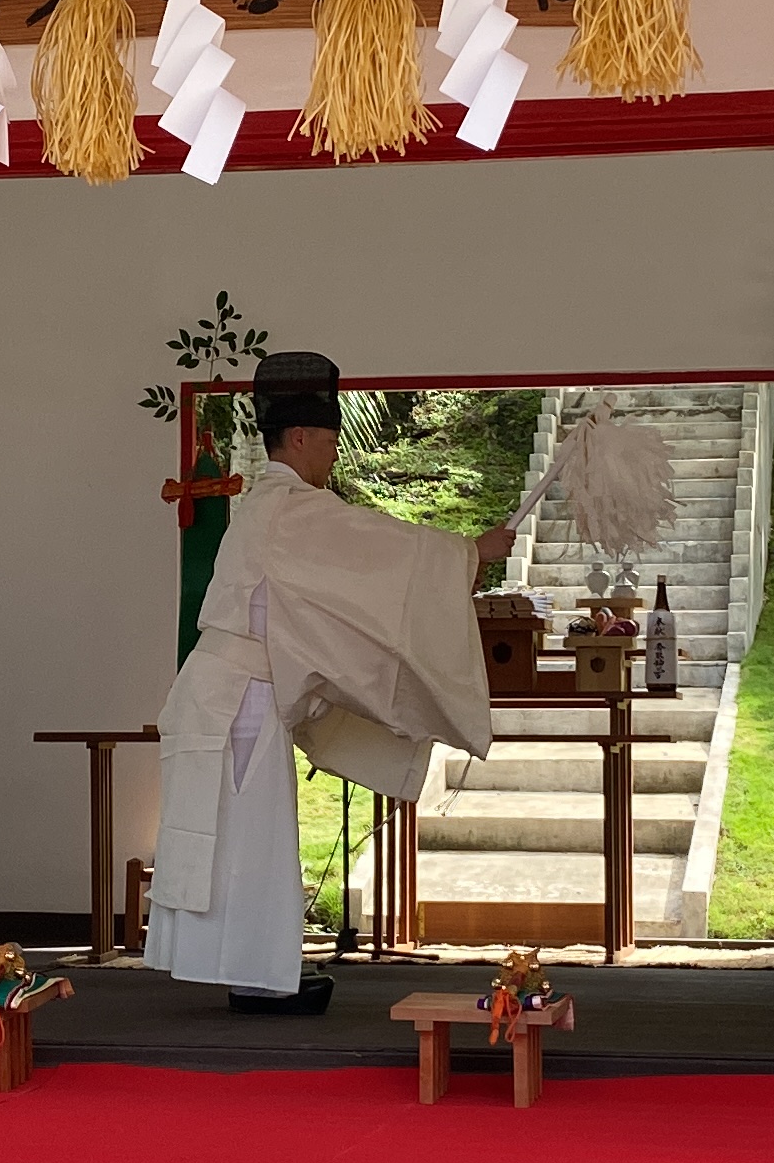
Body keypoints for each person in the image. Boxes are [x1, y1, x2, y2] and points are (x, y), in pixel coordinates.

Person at [145, 352, 516, 1011]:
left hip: (232, 693)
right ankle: (256, 977)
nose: (333, 454)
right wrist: (466, 553)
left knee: (241, 837)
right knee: (250, 838)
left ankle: (253, 970)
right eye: (328, 441)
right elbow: (377, 548)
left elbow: (347, 582)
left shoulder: (275, 509)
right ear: (298, 438)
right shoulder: (286, 508)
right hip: (239, 698)